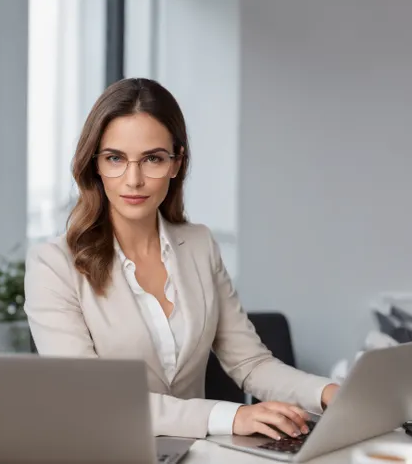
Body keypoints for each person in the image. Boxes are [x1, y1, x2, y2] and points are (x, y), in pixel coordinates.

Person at [24, 78, 339, 439]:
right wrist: (231, 416)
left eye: (153, 159)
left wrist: (329, 393)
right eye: (115, 158)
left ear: (177, 163)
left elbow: (250, 363)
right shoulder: (52, 265)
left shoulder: (200, 244)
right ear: (94, 164)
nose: (134, 179)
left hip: (199, 455)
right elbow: (94, 399)